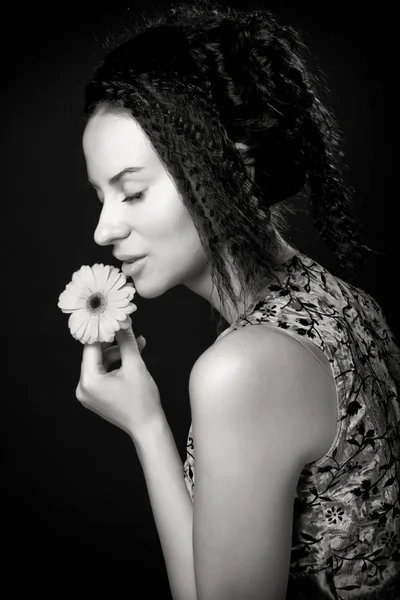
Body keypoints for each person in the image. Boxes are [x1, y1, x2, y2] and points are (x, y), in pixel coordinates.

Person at [76, 1, 400, 598]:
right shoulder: (347, 304)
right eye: (101, 195)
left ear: (234, 170)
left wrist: (148, 426)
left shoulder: (242, 369)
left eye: (133, 193)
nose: (104, 230)